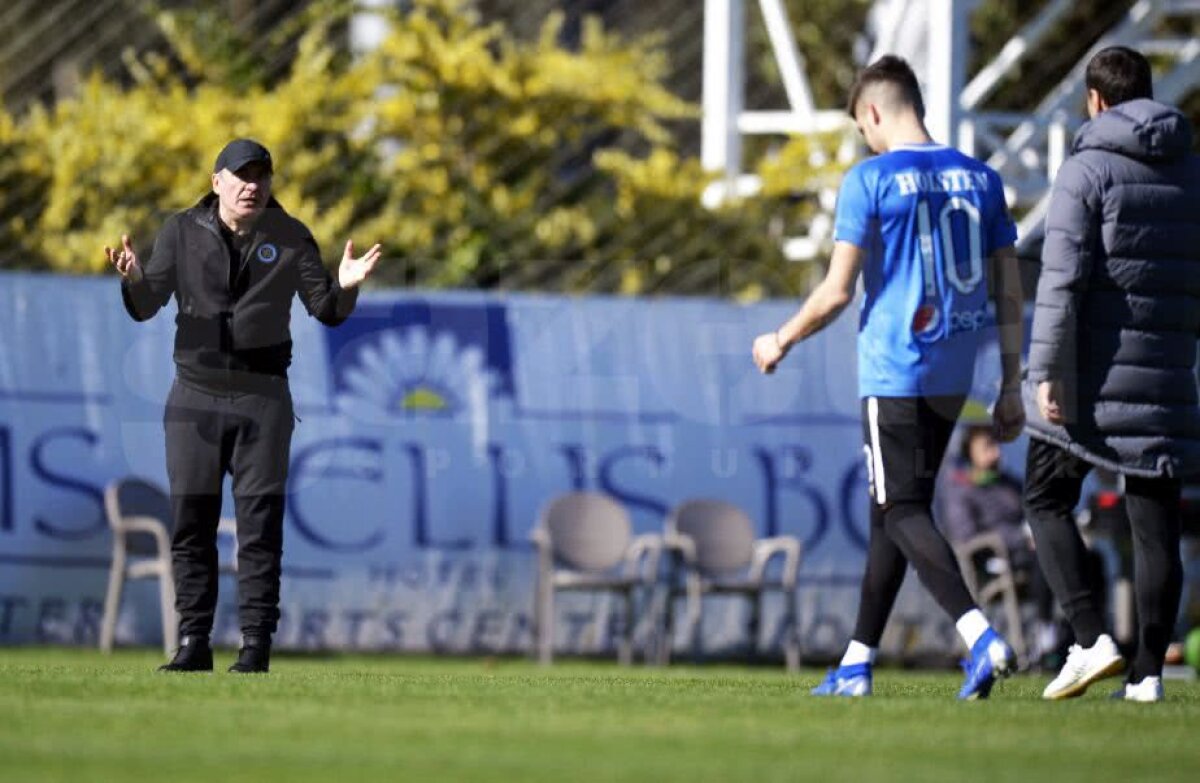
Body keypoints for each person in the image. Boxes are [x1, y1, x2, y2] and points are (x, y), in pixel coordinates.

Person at [752, 55, 1025, 699]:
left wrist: (780, 338)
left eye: (860, 126)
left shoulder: (870, 179)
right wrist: (1011, 381)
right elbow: (1009, 289)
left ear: (872, 111)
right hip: (956, 369)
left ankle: (980, 636)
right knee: (891, 516)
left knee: (901, 508)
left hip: (896, 368)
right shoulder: (982, 180)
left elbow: (837, 292)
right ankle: (856, 661)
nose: (864, 139)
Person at [108, 139, 382, 673]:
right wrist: (135, 279)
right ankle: (193, 642)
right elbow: (147, 306)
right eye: (241, 175)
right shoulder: (181, 231)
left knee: (260, 526)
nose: (252, 184)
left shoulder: (291, 235)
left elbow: (325, 309)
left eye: (262, 175)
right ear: (217, 183)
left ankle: (255, 645)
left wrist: (346, 288)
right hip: (195, 399)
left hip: (263, 401)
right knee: (192, 523)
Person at [1023, 46, 1200, 703]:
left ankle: (1091, 635)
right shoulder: (1191, 173)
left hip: (1090, 381)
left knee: (1044, 499)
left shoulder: (1085, 169)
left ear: (1095, 101)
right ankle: (1148, 675)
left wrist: (1046, 370)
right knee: (1155, 527)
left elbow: (1060, 281)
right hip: (1167, 377)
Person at [939, 424, 1058, 663]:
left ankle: (1090, 639)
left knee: (1084, 557)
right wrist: (1022, 538)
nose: (995, 453)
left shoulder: (1009, 483)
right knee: (1044, 557)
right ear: (969, 453)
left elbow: (1033, 514)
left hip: (1026, 552)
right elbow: (965, 535)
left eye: (996, 446)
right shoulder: (960, 489)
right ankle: (1045, 636)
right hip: (991, 561)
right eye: (986, 447)